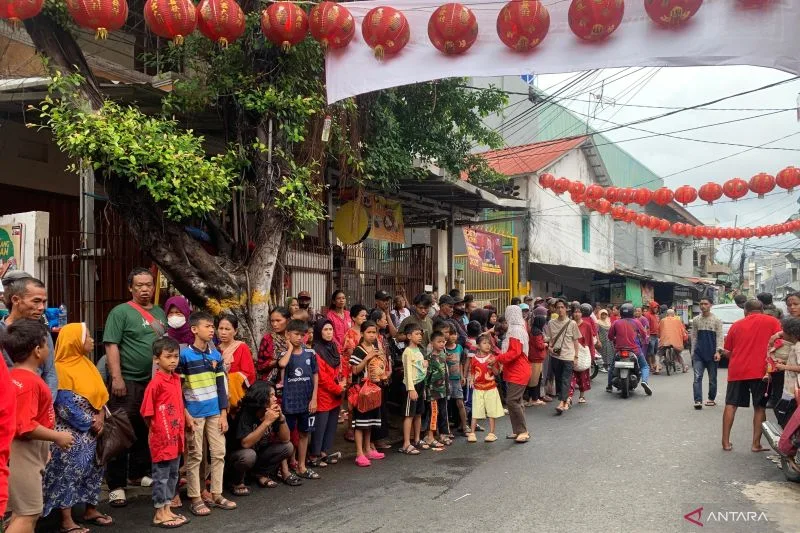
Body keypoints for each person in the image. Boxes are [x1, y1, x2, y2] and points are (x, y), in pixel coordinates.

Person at [104, 267, 167, 507]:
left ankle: (138, 474)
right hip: (128, 381)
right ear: (130, 287)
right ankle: (116, 485)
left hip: (154, 382)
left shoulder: (160, 313)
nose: (144, 289)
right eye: (139, 285)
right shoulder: (120, 312)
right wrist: (116, 377)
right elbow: (112, 346)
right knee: (121, 430)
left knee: (146, 427)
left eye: (148, 285)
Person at [4, 319, 74, 533]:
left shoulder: (14, 377)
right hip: (23, 451)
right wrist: (57, 437)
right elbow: (24, 426)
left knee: (22, 511)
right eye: (46, 344)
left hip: (24, 451)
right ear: (37, 350)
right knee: (28, 513)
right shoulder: (29, 382)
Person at [43, 323, 113, 532]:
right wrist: (91, 423)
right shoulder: (60, 368)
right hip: (72, 434)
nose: (92, 340)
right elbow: (64, 406)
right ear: (74, 341)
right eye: (87, 336)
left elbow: (100, 396)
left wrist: (100, 415)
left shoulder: (88, 364)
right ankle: (66, 520)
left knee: (94, 470)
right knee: (68, 474)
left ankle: (90, 509)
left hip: (94, 431)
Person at [179, 311, 235, 516]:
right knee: (195, 456)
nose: (212, 330)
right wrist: (185, 413)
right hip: (194, 414)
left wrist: (223, 414)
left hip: (214, 412)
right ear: (194, 329)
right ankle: (195, 497)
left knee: (218, 453)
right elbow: (179, 388)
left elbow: (222, 387)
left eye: (213, 326)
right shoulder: (184, 356)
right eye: (208, 326)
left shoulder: (215, 355)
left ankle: (216, 493)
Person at [141, 336, 189, 529]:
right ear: (156, 359)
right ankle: (159, 512)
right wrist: (156, 432)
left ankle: (168, 508)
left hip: (176, 438)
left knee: (173, 475)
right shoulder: (156, 383)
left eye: (176, 356)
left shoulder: (176, 379)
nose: (173, 360)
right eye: (168, 356)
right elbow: (146, 412)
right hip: (162, 439)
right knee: (161, 476)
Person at [721, 299, 781, 452]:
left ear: (745, 311)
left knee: (731, 404)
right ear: (762, 309)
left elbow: (728, 351)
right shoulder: (772, 321)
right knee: (760, 407)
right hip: (761, 371)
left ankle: (725, 443)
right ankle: (756, 444)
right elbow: (779, 344)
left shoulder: (736, 325)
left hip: (737, 370)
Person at [225, 381, 297, 491]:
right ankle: (236, 482)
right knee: (249, 455)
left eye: (275, 395)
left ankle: (259, 474)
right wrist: (266, 422)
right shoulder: (246, 413)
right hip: (237, 457)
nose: (275, 398)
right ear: (262, 397)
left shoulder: (271, 412)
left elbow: (285, 439)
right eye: (271, 395)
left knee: (288, 447)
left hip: (259, 454)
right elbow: (245, 443)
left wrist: (282, 419)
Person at [1, 272, 57, 400]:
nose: (41, 307)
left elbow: (50, 373)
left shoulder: (43, 333)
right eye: (36, 301)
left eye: (44, 302)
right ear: (16, 300)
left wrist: (46, 405)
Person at [279, 319, 319, 479]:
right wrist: (289, 348)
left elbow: (315, 375)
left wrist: (314, 398)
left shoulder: (310, 353)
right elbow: (282, 364)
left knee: (304, 434)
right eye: (296, 334)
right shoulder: (284, 355)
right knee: (285, 438)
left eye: (302, 335)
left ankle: (301, 466)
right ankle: (285, 469)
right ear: (287, 334)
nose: (299, 338)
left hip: (306, 401)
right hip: (289, 403)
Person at [349, 321, 385, 466]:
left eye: (374, 332)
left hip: (373, 389)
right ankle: (359, 453)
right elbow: (355, 370)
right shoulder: (358, 350)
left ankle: (368, 449)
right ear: (362, 334)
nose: (372, 335)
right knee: (360, 423)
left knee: (369, 422)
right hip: (361, 390)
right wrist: (367, 358)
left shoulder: (376, 348)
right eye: (369, 332)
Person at [309, 319, 343, 468]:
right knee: (320, 426)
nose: (329, 333)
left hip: (335, 392)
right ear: (319, 332)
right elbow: (321, 378)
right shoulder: (316, 350)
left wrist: (341, 385)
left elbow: (340, 368)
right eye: (325, 330)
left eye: (331, 329)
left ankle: (324, 452)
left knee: (331, 425)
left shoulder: (334, 347)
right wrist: (338, 388)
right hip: (323, 394)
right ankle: (314, 455)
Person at [495, 305, 531, 442]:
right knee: (517, 401)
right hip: (518, 370)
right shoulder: (519, 329)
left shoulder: (515, 330)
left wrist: (498, 358)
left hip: (518, 370)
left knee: (512, 401)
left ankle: (523, 431)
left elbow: (514, 352)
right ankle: (518, 430)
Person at [545, 300, 582, 415]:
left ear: (566, 309)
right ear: (555, 309)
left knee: (566, 379)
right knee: (559, 379)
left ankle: (561, 402)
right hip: (555, 356)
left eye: (562, 307)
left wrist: (576, 357)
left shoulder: (572, 324)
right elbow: (550, 339)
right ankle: (565, 401)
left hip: (568, 356)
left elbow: (576, 341)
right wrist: (549, 347)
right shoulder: (551, 323)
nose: (560, 309)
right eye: (558, 307)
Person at [607, 303, 652, 396]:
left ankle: (609, 386)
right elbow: (644, 334)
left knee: (611, 368)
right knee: (644, 366)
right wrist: (645, 339)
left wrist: (615, 339)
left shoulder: (616, 322)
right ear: (632, 312)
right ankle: (644, 381)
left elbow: (610, 336)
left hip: (619, 350)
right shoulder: (636, 322)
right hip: (634, 350)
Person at [466, 334, 504, 443]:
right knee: (476, 411)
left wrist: (492, 366)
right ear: (478, 346)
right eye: (484, 343)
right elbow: (472, 371)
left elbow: (496, 373)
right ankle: (472, 433)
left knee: (491, 411)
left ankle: (492, 433)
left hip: (491, 387)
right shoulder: (474, 359)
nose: (487, 345)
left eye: (489, 343)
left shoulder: (492, 358)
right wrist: (471, 380)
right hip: (478, 388)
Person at [690, 298, 723, 410]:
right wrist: (692, 352)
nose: (703, 306)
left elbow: (719, 336)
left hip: (712, 353)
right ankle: (698, 400)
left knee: (712, 378)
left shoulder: (716, 320)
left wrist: (718, 351)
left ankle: (711, 399)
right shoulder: (696, 320)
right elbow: (693, 336)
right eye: (701, 304)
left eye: (705, 304)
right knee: (697, 377)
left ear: (710, 305)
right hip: (699, 354)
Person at [399, 324, 426, 455]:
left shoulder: (418, 350)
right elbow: (408, 373)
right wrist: (411, 389)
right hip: (412, 386)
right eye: (416, 334)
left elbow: (420, 369)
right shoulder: (407, 352)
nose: (420, 336)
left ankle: (417, 439)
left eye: (420, 334)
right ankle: (406, 443)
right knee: (409, 414)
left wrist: (424, 366)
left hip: (420, 384)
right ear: (409, 336)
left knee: (418, 413)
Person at [422, 329, 450, 449]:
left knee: (444, 412)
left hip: (443, 390)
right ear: (432, 343)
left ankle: (443, 434)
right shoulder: (428, 358)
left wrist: (447, 389)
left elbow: (446, 374)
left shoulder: (444, 355)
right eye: (439, 341)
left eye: (443, 341)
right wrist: (424, 390)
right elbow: (426, 376)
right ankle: (430, 436)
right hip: (432, 392)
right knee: (434, 413)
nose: (442, 344)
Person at [217, 314, 256, 387]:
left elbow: (249, 373)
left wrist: (227, 378)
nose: (223, 332)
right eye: (221, 328)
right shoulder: (214, 350)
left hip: (237, 392)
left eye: (227, 329)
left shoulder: (241, 347)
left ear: (235, 331)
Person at [257, 307, 291, 386]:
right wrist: (278, 362)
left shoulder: (294, 338)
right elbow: (260, 366)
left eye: (278, 320)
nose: (274, 324)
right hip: (271, 383)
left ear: (288, 321)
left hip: (294, 379)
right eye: (272, 321)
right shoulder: (268, 339)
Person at [445, 325, 468, 435]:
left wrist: (462, 376)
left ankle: (464, 425)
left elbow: (460, 363)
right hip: (446, 380)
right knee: (445, 405)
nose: (453, 336)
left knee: (460, 402)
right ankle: (446, 429)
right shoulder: (443, 348)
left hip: (456, 379)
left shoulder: (459, 347)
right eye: (451, 334)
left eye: (455, 334)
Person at [571, 306, 594, 405]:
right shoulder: (570, 324)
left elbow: (590, 341)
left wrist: (591, 355)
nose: (577, 314)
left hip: (582, 353)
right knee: (570, 376)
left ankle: (582, 395)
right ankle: (569, 396)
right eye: (575, 312)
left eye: (579, 312)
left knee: (583, 375)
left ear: (582, 314)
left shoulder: (587, 325)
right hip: (570, 352)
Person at [526, 309, 548, 406]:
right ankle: (534, 399)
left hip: (532, 357)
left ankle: (533, 398)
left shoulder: (531, 330)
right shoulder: (537, 332)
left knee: (534, 378)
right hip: (537, 358)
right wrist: (545, 344)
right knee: (535, 379)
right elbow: (539, 346)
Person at [645, 302, 660, 372]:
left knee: (655, 351)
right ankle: (651, 365)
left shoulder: (656, 315)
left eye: (657, 307)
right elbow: (646, 326)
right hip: (650, 335)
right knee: (650, 352)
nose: (656, 309)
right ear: (651, 307)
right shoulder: (647, 315)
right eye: (654, 307)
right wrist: (647, 336)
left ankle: (654, 364)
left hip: (656, 335)